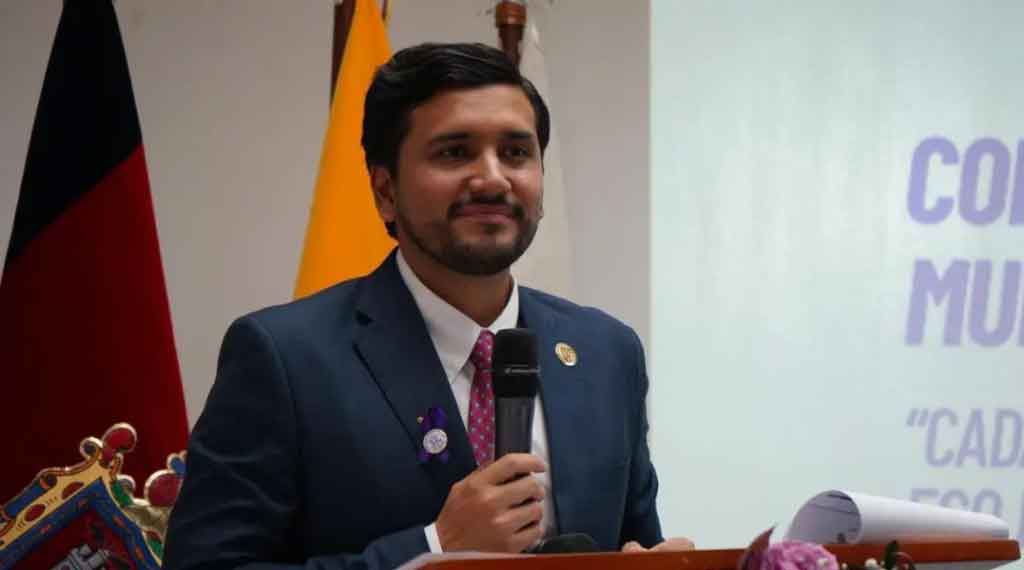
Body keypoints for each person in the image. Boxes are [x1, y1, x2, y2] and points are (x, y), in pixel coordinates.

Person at [164, 42, 688, 570]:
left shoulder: (606, 353)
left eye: (516, 153)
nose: (492, 179)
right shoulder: (285, 358)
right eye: (454, 153)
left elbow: (634, 543)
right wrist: (436, 547)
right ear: (385, 191)